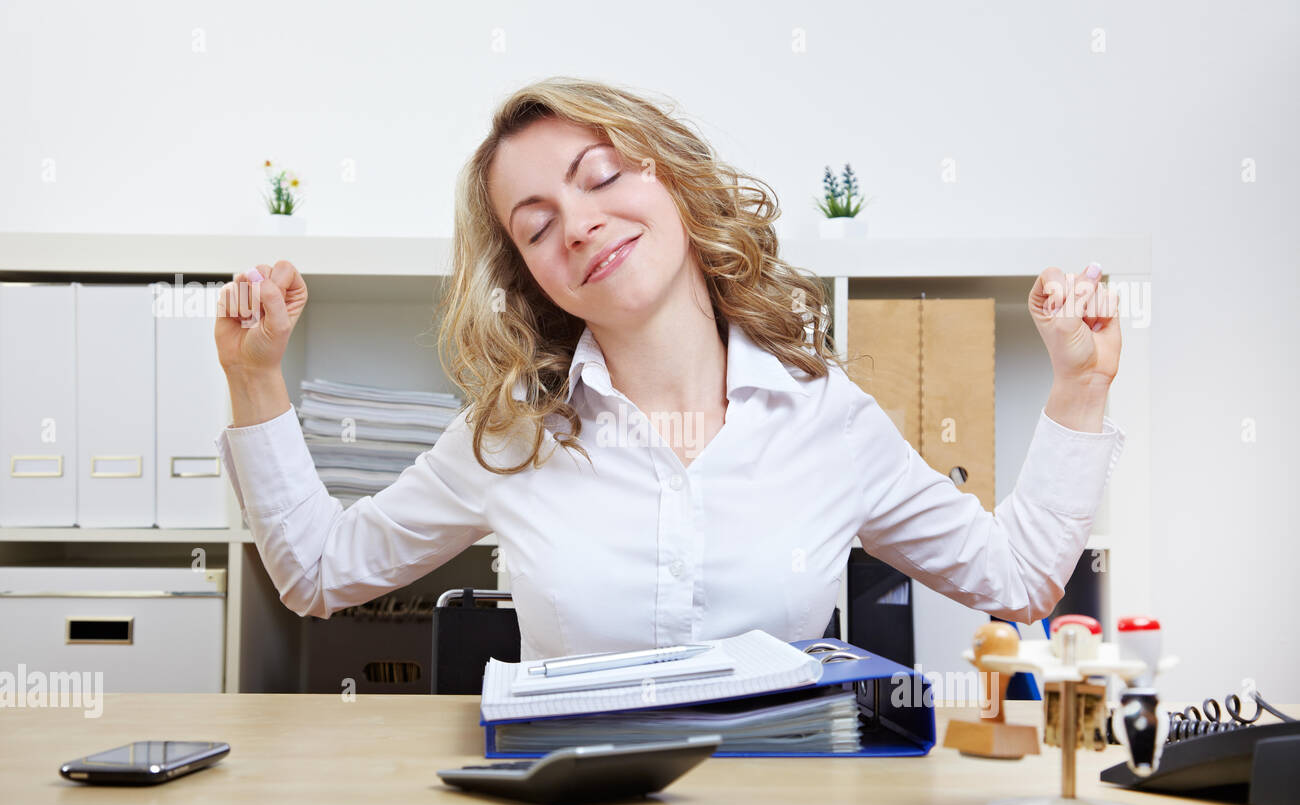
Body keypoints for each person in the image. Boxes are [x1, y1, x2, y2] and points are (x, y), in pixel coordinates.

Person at [214, 76, 1124, 662]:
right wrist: (255, 380)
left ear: (675, 183)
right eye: (535, 226)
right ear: (535, 274)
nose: (577, 223)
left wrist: (1081, 386)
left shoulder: (827, 420)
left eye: (602, 176)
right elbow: (319, 573)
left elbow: (1018, 578)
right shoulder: (513, 437)